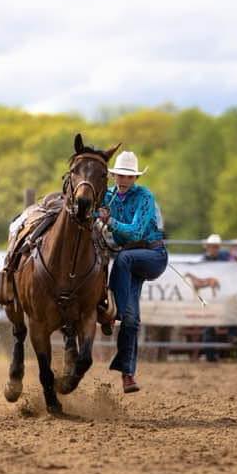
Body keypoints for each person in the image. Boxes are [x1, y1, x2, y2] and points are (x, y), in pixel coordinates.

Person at [98, 150, 167, 394]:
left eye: (128, 177)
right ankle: (128, 374)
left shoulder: (145, 196)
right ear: (114, 176)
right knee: (131, 318)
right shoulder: (107, 196)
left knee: (124, 258)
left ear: (135, 179)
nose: (123, 180)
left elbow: (137, 232)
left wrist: (110, 222)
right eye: (120, 176)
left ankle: (109, 312)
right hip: (129, 261)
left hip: (152, 256)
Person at [200, 233, 234, 362]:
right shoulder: (204, 260)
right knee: (209, 325)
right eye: (211, 246)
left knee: (233, 314)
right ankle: (210, 357)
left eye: (216, 247)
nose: (213, 249)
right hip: (209, 298)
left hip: (223, 296)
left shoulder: (225, 259)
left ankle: (232, 336)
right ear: (208, 247)